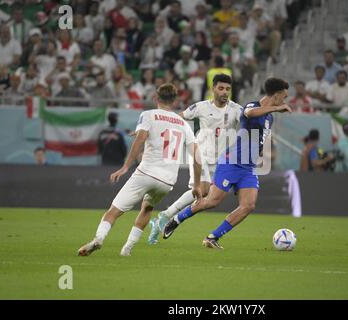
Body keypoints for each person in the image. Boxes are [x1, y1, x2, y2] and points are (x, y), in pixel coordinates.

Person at [162, 78, 292, 249]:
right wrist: (277, 108)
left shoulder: (269, 118)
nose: (285, 101)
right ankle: (176, 219)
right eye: (284, 97)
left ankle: (212, 237)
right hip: (232, 162)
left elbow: (260, 138)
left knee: (248, 205)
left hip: (248, 167)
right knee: (211, 201)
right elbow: (249, 114)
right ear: (275, 96)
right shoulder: (252, 106)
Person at [77, 84, 202, 256]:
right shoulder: (183, 123)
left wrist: (125, 166)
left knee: (113, 211)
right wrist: (196, 184)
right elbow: (197, 157)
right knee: (147, 208)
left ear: (155, 99)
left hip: (146, 173)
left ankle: (99, 239)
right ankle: (127, 249)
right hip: (167, 181)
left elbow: (140, 140)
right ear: (175, 101)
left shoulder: (148, 115)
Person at [147, 74, 242, 244]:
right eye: (221, 88)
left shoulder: (236, 109)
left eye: (228, 89)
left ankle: (165, 216)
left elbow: (249, 117)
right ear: (213, 89)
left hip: (222, 160)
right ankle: (167, 217)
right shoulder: (201, 107)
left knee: (203, 195)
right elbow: (177, 118)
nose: (224, 92)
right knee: (203, 190)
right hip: (201, 154)